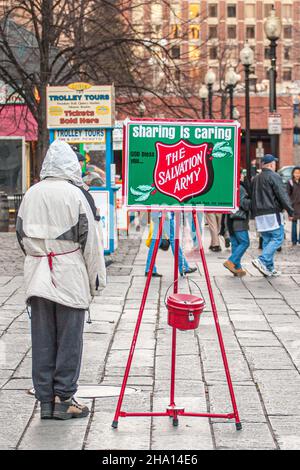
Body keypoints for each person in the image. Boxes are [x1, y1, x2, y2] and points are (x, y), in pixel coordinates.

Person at [16, 139, 106, 420]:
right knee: (69, 340)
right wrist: (96, 280)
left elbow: (21, 236)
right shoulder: (75, 195)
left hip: (38, 273)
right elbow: (90, 242)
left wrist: (39, 254)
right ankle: (64, 398)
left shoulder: (31, 194)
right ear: (71, 165)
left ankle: (45, 401)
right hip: (68, 273)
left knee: (42, 340)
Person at [251, 154, 294, 277]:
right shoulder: (274, 176)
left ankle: (269, 268)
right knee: (277, 238)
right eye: (274, 163)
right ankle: (263, 260)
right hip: (271, 212)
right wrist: (290, 211)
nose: (275, 165)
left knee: (267, 239)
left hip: (259, 214)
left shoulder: (256, 178)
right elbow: (282, 195)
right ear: (271, 164)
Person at [145, 211, 197, 277]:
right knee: (173, 239)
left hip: (158, 212)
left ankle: (149, 269)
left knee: (156, 240)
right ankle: (183, 267)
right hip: (165, 212)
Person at [223, 169, 251, 277]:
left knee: (235, 243)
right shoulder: (241, 188)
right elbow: (244, 204)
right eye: (242, 174)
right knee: (245, 242)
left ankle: (237, 268)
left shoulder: (230, 186)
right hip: (239, 218)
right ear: (239, 176)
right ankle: (231, 261)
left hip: (230, 219)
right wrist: (253, 202)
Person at [287, 166, 300, 245]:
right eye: (296, 173)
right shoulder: (290, 182)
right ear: (293, 174)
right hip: (293, 206)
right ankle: (294, 240)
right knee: (294, 224)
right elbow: (287, 195)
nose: (297, 174)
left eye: (299, 173)